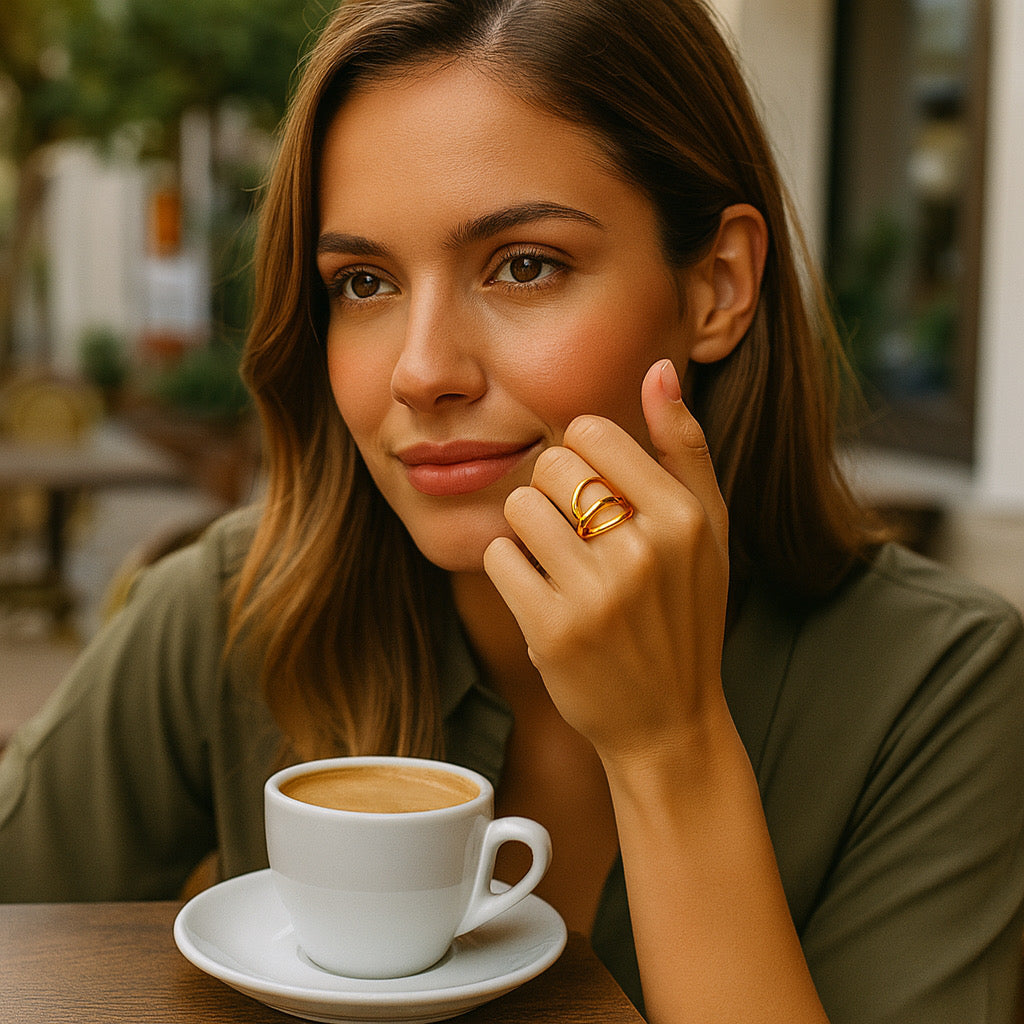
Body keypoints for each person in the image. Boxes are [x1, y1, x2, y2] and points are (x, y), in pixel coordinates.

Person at [2, 1, 1023, 1021]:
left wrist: (670, 747)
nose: (420, 372)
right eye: (364, 282)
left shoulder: (939, 690)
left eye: (525, 265)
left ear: (716, 287)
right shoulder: (233, 610)